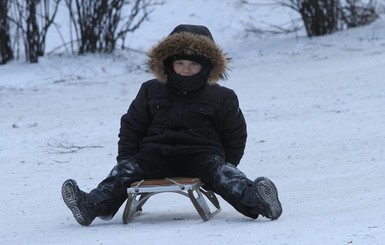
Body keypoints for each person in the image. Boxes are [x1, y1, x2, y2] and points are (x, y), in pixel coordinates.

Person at [61, 24, 282, 226]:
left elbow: (235, 134)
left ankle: (259, 201)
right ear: (168, 63)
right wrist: (126, 159)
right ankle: (91, 205)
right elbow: (132, 126)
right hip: (155, 154)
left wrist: (227, 163)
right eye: (180, 63)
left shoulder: (222, 96)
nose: (186, 69)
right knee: (122, 173)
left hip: (201, 155)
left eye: (193, 64)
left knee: (226, 176)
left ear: (207, 66)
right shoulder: (150, 90)